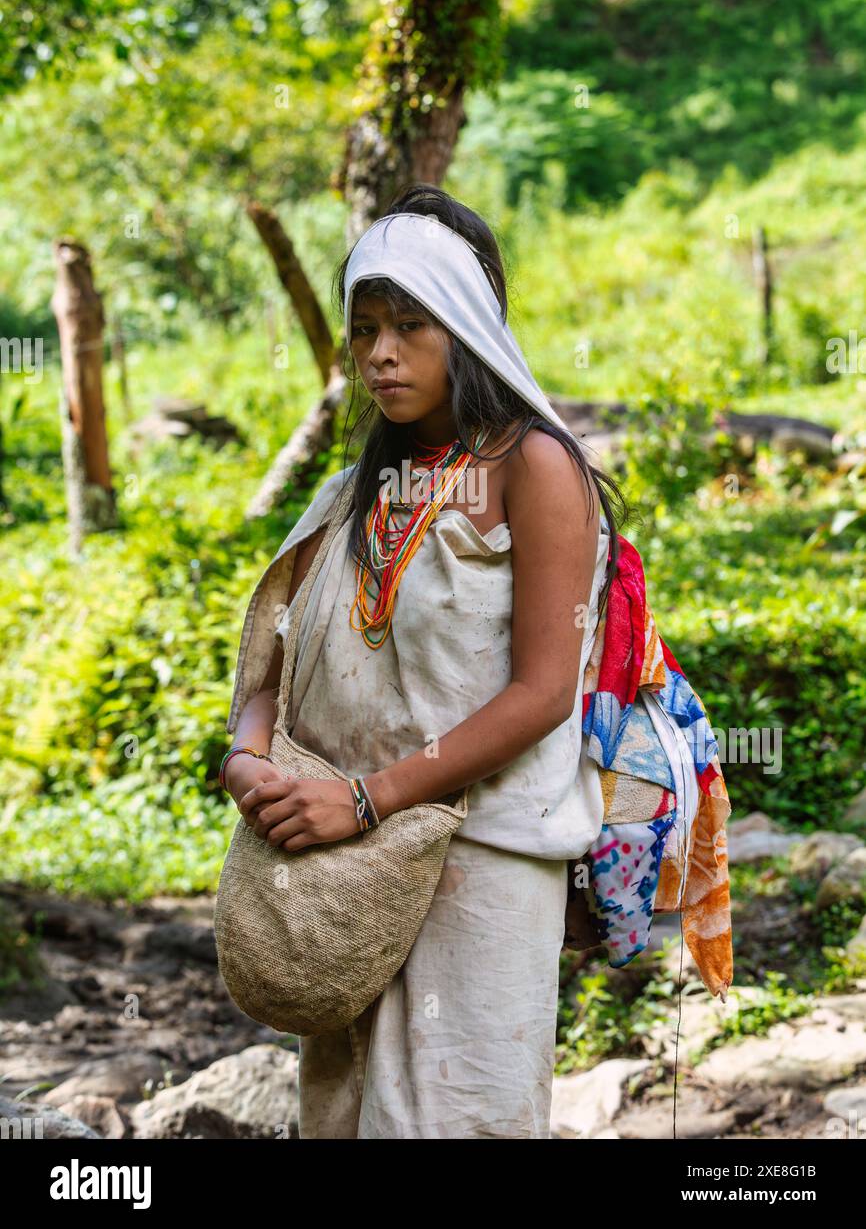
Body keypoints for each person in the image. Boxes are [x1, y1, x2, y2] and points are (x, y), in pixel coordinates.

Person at [223, 183, 629, 1139]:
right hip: (343, 876)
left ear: (466, 329)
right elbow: (269, 669)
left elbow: (541, 693)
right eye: (365, 328)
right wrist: (249, 762)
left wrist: (368, 797)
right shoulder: (349, 493)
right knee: (348, 1114)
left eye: (411, 324)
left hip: (479, 864)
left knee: (460, 1114)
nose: (380, 353)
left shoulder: (536, 470)